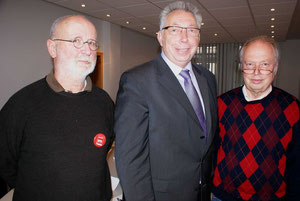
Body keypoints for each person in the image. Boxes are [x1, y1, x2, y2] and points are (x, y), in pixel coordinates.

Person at [0, 15, 114, 201]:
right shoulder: (21, 104)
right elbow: (6, 165)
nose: (87, 50)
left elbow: (105, 149)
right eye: (76, 41)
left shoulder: (104, 101)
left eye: (92, 42)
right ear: (52, 48)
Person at [114, 1, 218, 201]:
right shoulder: (137, 81)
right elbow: (130, 159)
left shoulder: (208, 79)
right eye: (175, 30)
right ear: (160, 37)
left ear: (198, 37)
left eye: (191, 30)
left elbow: (206, 141)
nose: (184, 38)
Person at [212, 36, 300, 201]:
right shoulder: (221, 103)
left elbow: (297, 167)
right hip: (222, 197)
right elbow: (211, 151)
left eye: (265, 64)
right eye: (250, 64)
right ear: (241, 67)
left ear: (275, 68)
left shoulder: (293, 108)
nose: (256, 72)